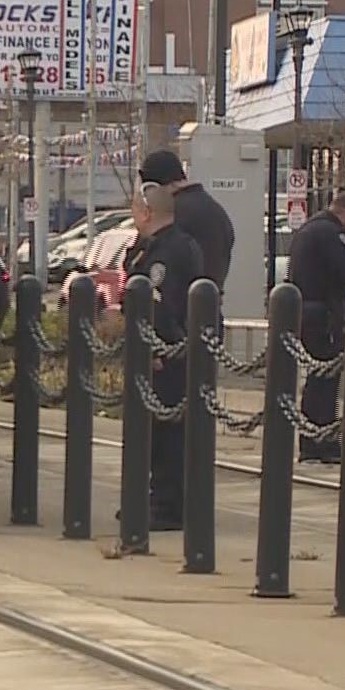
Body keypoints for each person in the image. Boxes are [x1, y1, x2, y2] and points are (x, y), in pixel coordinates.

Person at [122, 179, 204, 530]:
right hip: (155, 351)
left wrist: (156, 347)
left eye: (136, 212)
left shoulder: (171, 252)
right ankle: (150, 499)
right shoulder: (152, 246)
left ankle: (168, 506)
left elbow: (163, 305)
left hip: (169, 354)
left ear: (148, 211)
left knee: (168, 433)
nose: (133, 218)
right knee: (151, 434)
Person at [286, 192, 345, 464]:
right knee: (325, 379)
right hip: (323, 315)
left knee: (316, 378)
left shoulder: (310, 229)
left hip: (307, 311)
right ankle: (322, 441)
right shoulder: (330, 233)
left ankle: (313, 440)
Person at [137, 148, 234, 295]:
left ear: (154, 187)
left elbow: (143, 257)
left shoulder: (169, 213)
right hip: (210, 305)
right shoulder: (216, 210)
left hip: (176, 307)